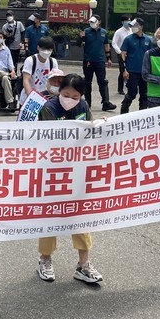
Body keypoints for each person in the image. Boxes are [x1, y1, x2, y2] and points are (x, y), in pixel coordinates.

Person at [35, 74, 102, 284]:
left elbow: (90, 129)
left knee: (80, 215)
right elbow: (49, 142)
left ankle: (83, 265)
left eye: (75, 96)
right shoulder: (49, 109)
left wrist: (101, 125)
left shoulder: (82, 106)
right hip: (52, 171)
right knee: (51, 217)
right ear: (59, 90)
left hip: (77, 171)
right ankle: (44, 259)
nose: (70, 99)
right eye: (66, 95)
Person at [79, 15, 116, 111]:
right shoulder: (86, 32)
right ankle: (87, 103)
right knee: (87, 82)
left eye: (93, 22)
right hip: (88, 61)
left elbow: (106, 45)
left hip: (100, 61)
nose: (92, 24)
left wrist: (109, 58)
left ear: (99, 22)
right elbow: (79, 44)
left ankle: (105, 102)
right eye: (90, 22)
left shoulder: (103, 32)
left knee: (102, 81)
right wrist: (81, 38)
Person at [120, 18, 152, 114]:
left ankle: (142, 114)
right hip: (132, 71)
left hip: (144, 72)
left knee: (144, 94)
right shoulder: (128, 39)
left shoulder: (147, 39)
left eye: (135, 26)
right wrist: (124, 70)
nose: (133, 28)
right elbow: (123, 54)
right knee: (132, 94)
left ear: (141, 26)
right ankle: (124, 112)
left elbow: (150, 56)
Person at [20, 36, 58, 105]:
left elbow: (54, 80)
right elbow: (26, 81)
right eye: (43, 49)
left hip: (45, 99)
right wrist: (31, 98)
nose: (46, 52)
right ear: (38, 48)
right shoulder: (30, 60)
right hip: (29, 99)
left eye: (49, 49)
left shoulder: (53, 62)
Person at [111, 15, 133, 95]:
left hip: (131, 53)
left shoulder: (132, 30)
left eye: (129, 20)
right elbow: (114, 43)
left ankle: (129, 86)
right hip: (122, 53)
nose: (128, 22)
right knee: (123, 70)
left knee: (131, 70)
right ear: (122, 22)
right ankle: (120, 89)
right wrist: (119, 52)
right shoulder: (119, 32)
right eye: (127, 20)